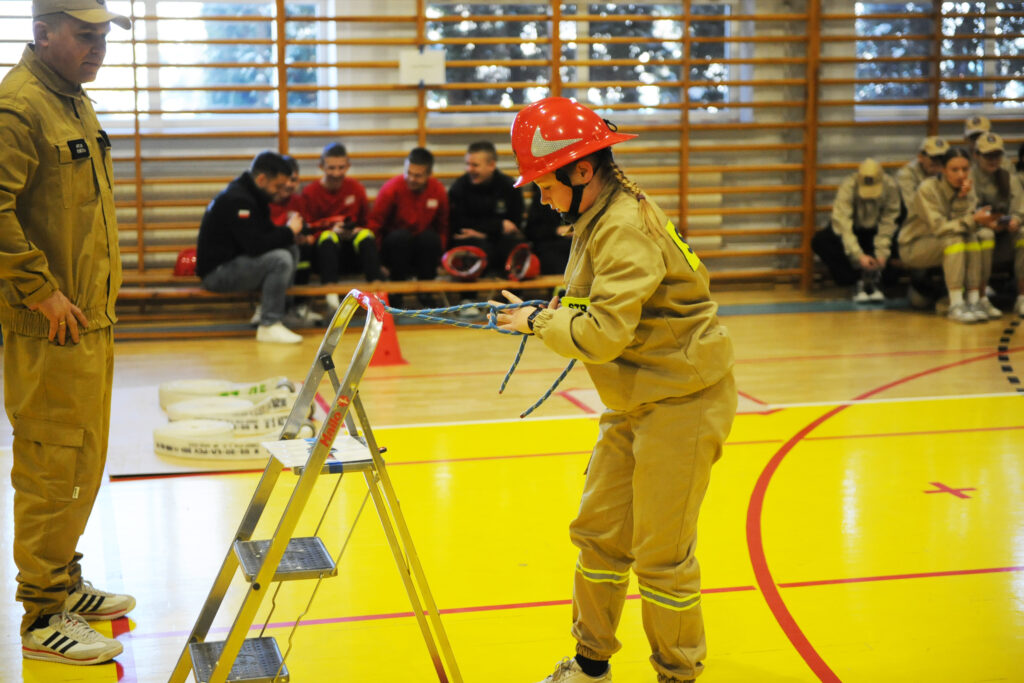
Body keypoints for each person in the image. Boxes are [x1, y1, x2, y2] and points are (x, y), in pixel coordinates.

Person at [493, 97, 736, 683]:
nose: (540, 197)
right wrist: (545, 312)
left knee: (662, 556)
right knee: (599, 534)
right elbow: (593, 306)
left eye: (544, 184)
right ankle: (590, 662)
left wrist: (534, 323)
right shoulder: (594, 216)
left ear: (581, 171)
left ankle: (677, 673)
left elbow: (601, 335)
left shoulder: (623, 225)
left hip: (682, 400)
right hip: (634, 396)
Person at [0, 0, 136, 666]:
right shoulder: (20, 107)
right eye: (85, 36)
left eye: (104, 37)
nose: (98, 48)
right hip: (48, 322)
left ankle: (64, 581)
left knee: (81, 460)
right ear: (42, 32)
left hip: (88, 320)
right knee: (52, 464)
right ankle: (42, 611)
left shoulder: (71, 99)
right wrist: (39, 287)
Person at [196, 151, 305, 343]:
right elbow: (255, 245)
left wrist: (293, 234)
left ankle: (273, 310)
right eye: (277, 186)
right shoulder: (238, 200)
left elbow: (266, 234)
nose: (280, 192)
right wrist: (288, 232)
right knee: (280, 259)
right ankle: (269, 324)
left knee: (290, 249)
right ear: (262, 179)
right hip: (217, 273)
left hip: (236, 265)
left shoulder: (253, 195)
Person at [898, 147, 996, 323]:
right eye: (954, 170)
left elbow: (966, 225)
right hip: (915, 245)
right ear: (943, 170)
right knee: (955, 239)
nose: (961, 175)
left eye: (965, 169)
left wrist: (963, 198)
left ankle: (974, 300)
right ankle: (956, 304)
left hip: (944, 239)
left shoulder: (968, 186)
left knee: (977, 236)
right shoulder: (927, 189)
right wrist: (973, 219)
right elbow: (940, 227)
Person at [301, 143, 384, 312]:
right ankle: (332, 302)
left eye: (341, 167)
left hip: (353, 255)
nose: (336, 173)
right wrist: (331, 230)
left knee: (366, 236)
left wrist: (356, 230)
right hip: (324, 258)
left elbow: (369, 222)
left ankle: (379, 300)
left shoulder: (356, 188)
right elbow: (306, 231)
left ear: (348, 166)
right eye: (331, 168)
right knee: (328, 238)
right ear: (321, 166)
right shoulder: (310, 192)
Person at [811, 159, 901, 301]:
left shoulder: (890, 187)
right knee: (821, 241)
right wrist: (858, 256)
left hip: (876, 232)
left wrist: (882, 252)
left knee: (895, 262)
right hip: (853, 230)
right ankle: (855, 280)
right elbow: (843, 225)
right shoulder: (848, 187)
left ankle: (877, 278)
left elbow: (889, 221)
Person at [365, 147, 448, 284]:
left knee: (430, 238)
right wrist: (377, 263)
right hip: (395, 249)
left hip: (422, 249)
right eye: (408, 173)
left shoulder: (438, 191)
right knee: (401, 237)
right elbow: (374, 226)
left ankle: (426, 292)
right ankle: (396, 292)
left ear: (429, 174)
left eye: (417, 175)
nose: (411, 179)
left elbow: (442, 227)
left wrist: (441, 260)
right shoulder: (391, 189)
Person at [447, 141, 526, 274]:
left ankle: (511, 293)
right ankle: (468, 295)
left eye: (475, 165)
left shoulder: (508, 186)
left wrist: (484, 233)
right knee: (471, 247)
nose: (469, 169)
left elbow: (514, 224)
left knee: (513, 245)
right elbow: (459, 225)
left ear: (491, 165)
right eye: (467, 164)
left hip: (500, 241)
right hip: (473, 242)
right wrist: (498, 226)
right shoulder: (459, 188)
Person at [970, 133, 1024, 316]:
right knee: (985, 235)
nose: (993, 160)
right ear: (976, 155)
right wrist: (990, 222)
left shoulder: (1009, 176)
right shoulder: (969, 176)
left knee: (1023, 234)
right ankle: (980, 297)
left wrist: (1015, 218)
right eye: (988, 156)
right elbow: (970, 210)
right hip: (980, 232)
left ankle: (1022, 297)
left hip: (1005, 233)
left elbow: (1019, 204)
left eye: (997, 155)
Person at [524, 182, 573, 275]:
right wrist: (556, 230)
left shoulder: (575, 193)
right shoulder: (541, 196)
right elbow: (531, 231)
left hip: (573, 243)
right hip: (549, 245)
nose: (543, 200)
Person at [896, 136, 948, 215]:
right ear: (920, 157)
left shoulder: (949, 170)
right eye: (934, 157)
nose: (938, 162)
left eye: (942, 157)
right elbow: (913, 207)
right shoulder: (906, 174)